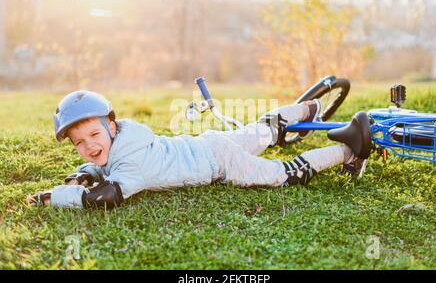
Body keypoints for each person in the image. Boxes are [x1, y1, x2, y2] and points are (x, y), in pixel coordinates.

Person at [27, 90, 368, 209]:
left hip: (218, 162)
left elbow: (105, 198)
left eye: (93, 134)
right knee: (260, 132)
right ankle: (306, 109)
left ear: (111, 127)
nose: (89, 146)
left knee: (283, 174)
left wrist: (53, 197)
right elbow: (101, 169)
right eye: (79, 143)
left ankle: (348, 149)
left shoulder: (132, 166)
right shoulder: (128, 139)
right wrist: (82, 174)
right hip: (207, 144)